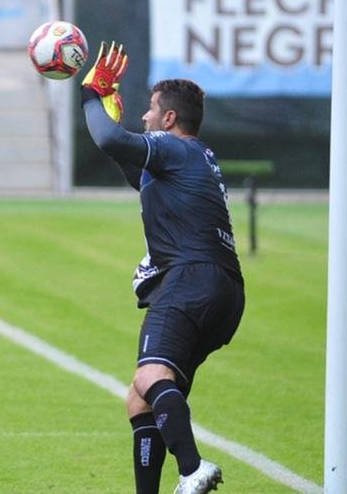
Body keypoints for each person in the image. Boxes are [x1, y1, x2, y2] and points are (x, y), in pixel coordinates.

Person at [79, 43, 245, 494]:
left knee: (150, 377)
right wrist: (111, 122)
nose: (146, 118)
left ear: (170, 120)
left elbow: (113, 141)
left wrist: (91, 95)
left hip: (191, 280)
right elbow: (131, 164)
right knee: (141, 399)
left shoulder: (174, 149)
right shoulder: (189, 159)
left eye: (151, 110)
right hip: (222, 291)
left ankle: (192, 469)